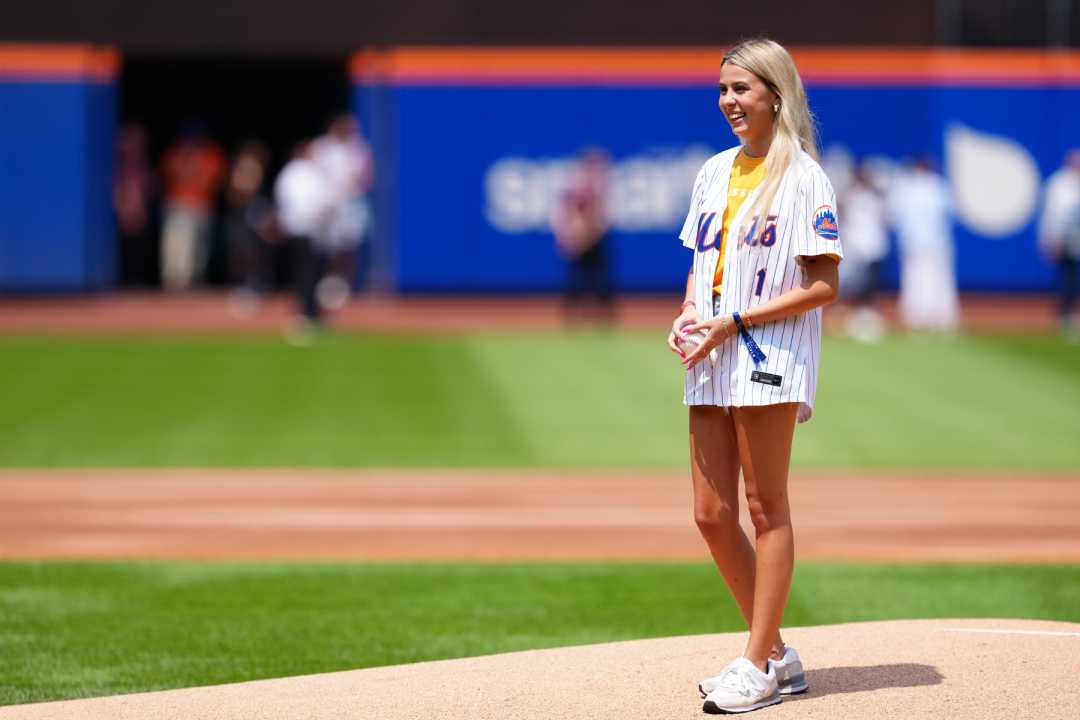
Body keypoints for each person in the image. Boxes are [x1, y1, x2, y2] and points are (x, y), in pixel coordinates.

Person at [665, 38, 842, 714]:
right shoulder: (714, 172)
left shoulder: (805, 179)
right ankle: (777, 656)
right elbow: (699, 260)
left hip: (768, 353)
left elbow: (824, 284)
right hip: (711, 349)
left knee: (766, 507)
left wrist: (734, 320)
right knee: (710, 514)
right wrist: (689, 312)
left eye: (741, 89)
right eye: (722, 90)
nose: (729, 102)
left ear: (776, 92)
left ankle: (755, 660)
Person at [887, 155, 958, 332]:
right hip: (937, 242)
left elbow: (892, 217)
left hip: (914, 243)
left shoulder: (905, 187)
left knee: (915, 281)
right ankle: (941, 320)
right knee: (939, 283)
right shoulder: (939, 187)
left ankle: (917, 319)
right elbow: (951, 215)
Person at [310, 113, 375, 307]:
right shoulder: (322, 147)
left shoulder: (358, 147)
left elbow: (366, 175)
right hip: (326, 204)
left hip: (350, 203)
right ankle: (326, 283)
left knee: (349, 245)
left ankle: (344, 284)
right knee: (325, 246)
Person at [274, 141, 334, 332]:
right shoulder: (297, 173)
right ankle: (307, 314)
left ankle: (311, 312)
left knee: (312, 273)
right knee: (306, 273)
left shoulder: (307, 173)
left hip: (309, 230)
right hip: (303, 229)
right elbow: (300, 202)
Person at [551, 148, 615, 326]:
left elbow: (602, 218)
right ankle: (571, 315)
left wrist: (593, 233)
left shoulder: (599, 188)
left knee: (600, 278)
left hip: (596, 239)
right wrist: (570, 236)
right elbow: (569, 215)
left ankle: (605, 316)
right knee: (578, 278)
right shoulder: (580, 188)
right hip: (582, 241)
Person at [159, 122, 226, 291]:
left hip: (201, 205)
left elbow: (213, 180)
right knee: (176, 245)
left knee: (199, 247)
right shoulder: (176, 152)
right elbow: (169, 174)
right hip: (178, 204)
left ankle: (195, 281)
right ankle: (175, 282)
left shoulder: (211, 153)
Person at [838, 161, 889, 342]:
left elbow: (885, 220)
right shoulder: (851, 196)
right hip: (856, 247)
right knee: (853, 286)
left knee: (868, 288)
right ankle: (853, 318)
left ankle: (863, 318)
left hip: (871, 247)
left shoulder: (874, 197)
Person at [1038, 150, 1080, 338]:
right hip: (1065, 237)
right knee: (1068, 276)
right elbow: (1051, 213)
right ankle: (1066, 314)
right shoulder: (1058, 183)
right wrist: (1049, 237)